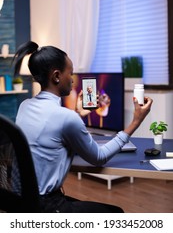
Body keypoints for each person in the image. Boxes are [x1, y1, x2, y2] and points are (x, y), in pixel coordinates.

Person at [12, 41, 153, 213]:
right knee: (115, 214)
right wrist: (136, 121)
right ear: (56, 76)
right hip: (46, 208)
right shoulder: (66, 117)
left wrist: (78, 113)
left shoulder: (25, 106)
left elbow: (52, 134)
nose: (71, 79)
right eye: (69, 73)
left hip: (21, 202)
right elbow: (99, 157)